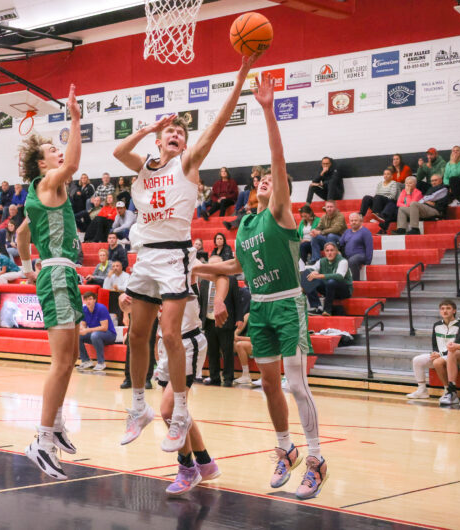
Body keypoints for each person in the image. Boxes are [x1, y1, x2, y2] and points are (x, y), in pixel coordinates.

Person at [114, 53, 261, 454]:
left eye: (181, 130)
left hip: (174, 255)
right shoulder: (144, 165)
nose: (176, 134)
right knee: (137, 334)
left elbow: (215, 126)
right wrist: (150, 128)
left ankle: (179, 414)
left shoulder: (188, 163)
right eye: (171, 131)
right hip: (144, 257)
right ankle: (139, 407)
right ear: (159, 140)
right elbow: (118, 153)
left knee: (169, 334)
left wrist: (243, 74)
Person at [191, 72, 328, 499]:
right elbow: (235, 265)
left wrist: (268, 110)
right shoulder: (246, 224)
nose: (267, 181)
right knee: (269, 384)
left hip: (289, 303)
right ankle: (285, 448)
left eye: (272, 179)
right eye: (262, 180)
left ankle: (317, 458)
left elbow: (278, 158)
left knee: (294, 381)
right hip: (262, 306)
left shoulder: (281, 213)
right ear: (253, 191)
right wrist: (192, 269)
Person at [15, 84, 84, 480]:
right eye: (52, 152)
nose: (60, 152)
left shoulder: (40, 192)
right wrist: (74, 118)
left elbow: (23, 232)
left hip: (60, 272)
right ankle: (40, 441)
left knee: (70, 358)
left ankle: (55, 423)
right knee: (61, 362)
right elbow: (73, 165)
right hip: (57, 273)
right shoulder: (47, 184)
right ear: (43, 167)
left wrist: (26, 265)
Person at [150, 295, 221, 495]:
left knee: (169, 410)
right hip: (165, 343)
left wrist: (220, 299)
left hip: (187, 342)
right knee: (181, 412)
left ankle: (187, 469)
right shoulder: (153, 274)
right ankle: (205, 463)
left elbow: (221, 274)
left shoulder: (188, 265)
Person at [198, 255, 243, 387]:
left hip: (226, 321)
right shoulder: (205, 282)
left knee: (227, 351)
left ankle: (228, 378)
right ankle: (214, 377)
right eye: (211, 265)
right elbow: (202, 302)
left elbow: (237, 300)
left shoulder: (231, 280)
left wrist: (239, 318)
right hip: (209, 321)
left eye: (216, 265)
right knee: (212, 351)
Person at [407, 300, 460, 401]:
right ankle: (422, 390)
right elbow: (435, 344)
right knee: (417, 360)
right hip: (440, 355)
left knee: (437, 362)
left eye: (448, 308)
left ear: (454, 311)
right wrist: (435, 352)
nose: (445, 311)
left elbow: (456, 346)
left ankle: (448, 390)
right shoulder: (436, 325)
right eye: (442, 309)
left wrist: (440, 354)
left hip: (453, 356)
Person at [301, 242, 352, 316]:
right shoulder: (322, 261)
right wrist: (313, 272)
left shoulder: (343, 261)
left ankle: (327, 310)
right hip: (328, 290)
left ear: (336, 252)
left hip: (343, 291)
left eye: (332, 250)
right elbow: (311, 268)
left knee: (331, 282)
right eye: (327, 251)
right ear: (324, 252)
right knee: (308, 276)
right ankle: (317, 307)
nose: (329, 253)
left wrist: (320, 275)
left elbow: (339, 276)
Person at [78, 291, 117, 371]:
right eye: (86, 299)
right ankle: (86, 361)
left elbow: (104, 327)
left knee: (95, 335)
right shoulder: (84, 309)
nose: (88, 301)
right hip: (95, 335)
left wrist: (87, 330)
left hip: (109, 335)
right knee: (78, 336)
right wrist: (81, 329)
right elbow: (84, 326)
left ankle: (101, 363)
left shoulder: (101, 308)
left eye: (90, 299)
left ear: (95, 300)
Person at [338, 212, 373, 280]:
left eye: (355, 220)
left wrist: (367, 263)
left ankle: (355, 282)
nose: (353, 222)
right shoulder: (347, 232)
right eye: (352, 220)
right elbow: (340, 243)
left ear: (360, 221)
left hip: (360, 255)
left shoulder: (365, 232)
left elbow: (369, 248)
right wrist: (338, 251)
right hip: (348, 256)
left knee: (352, 260)